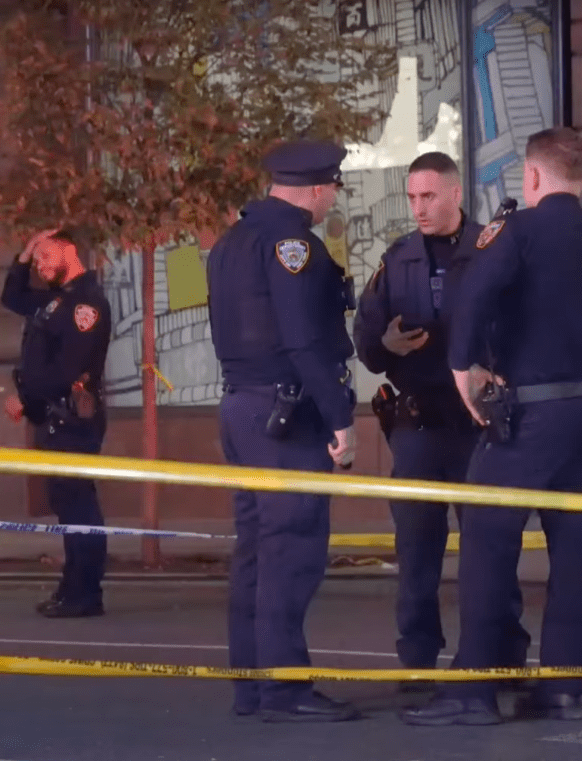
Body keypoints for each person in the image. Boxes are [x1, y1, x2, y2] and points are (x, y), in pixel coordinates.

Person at [401, 126, 582, 727]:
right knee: (573, 544)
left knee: (487, 538)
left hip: (529, 413)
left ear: (531, 176)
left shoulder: (516, 232)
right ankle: (562, 690)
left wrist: (464, 371)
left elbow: (473, 298)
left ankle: (472, 692)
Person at [352, 151, 530, 687]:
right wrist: (384, 346)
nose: (419, 207)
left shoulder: (491, 249)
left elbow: (521, 326)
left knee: (491, 547)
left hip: (478, 427)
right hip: (418, 426)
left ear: (455, 193)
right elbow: (366, 340)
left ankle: (502, 657)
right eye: (412, 197)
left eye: (428, 196)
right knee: (416, 553)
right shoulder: (398, 258)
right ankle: (418, 663)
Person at [207, 138, 359, 723]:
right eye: (333, 189)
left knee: (255, 551)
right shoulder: (292, 245)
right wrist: (340, 417)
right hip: (285, 417)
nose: (332, 200)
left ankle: (252, 685)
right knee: (290, 553)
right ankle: (286, 691)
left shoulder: (231, 242)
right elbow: (302, 339)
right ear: (317, 188)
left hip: (242, 408)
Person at [1, 228, 112, 619]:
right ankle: (72, 588)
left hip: (72, 420)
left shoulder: (86, 304)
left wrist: (26, 400)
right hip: (53, 419)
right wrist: (25, 253)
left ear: (70, 251)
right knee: (68, 508)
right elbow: (12, 298)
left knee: (79, 508)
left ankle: (85, 593)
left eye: (46, 256)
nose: (40, 265)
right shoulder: (55, 300)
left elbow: (67, 370)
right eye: (36, 260)